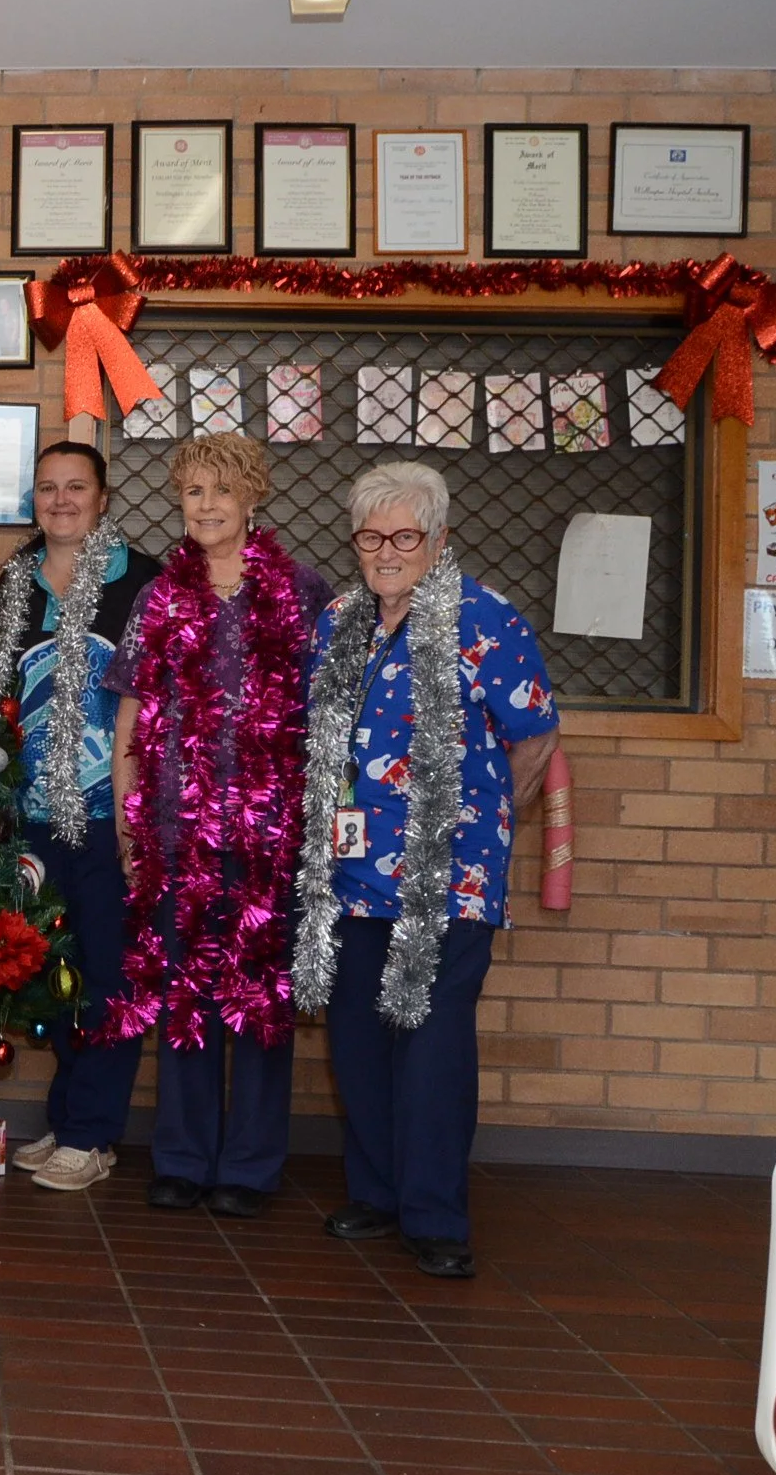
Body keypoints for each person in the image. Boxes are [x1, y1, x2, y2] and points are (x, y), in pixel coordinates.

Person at [294, 462, 559, 1279]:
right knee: (360, 1044)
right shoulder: (338, 620)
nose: (386, 551)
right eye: (371, 536)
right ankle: (376, 1192)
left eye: (404, 535)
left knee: (434, 1047)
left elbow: (536, 739)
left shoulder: (487, 621)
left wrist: (467, 827)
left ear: (439, 540)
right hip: (347, 879)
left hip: (449, 884)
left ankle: (435, 1214)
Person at [104, 432, 330, 1219]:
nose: (205, 506)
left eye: (221, 492)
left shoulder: (304, 592)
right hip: (176, 833)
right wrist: (130, 827)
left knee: (260, 998)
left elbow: (326, 716)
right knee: (185, 992)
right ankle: (182, 1156)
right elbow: (129, 714)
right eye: (193, 492)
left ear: (253, 497)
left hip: (272, 839)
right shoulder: (159, 597)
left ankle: (251, 1165)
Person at [0, 441, 161, 1194]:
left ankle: (94, 1133)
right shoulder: (14, 581)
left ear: (102, 497)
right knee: (51, 972)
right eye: (48, 488)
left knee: (111, 972)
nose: (61, 500)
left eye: (76, 487)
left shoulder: (146, 583)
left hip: (112, 817)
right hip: (31, 816)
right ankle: (68, 1117)